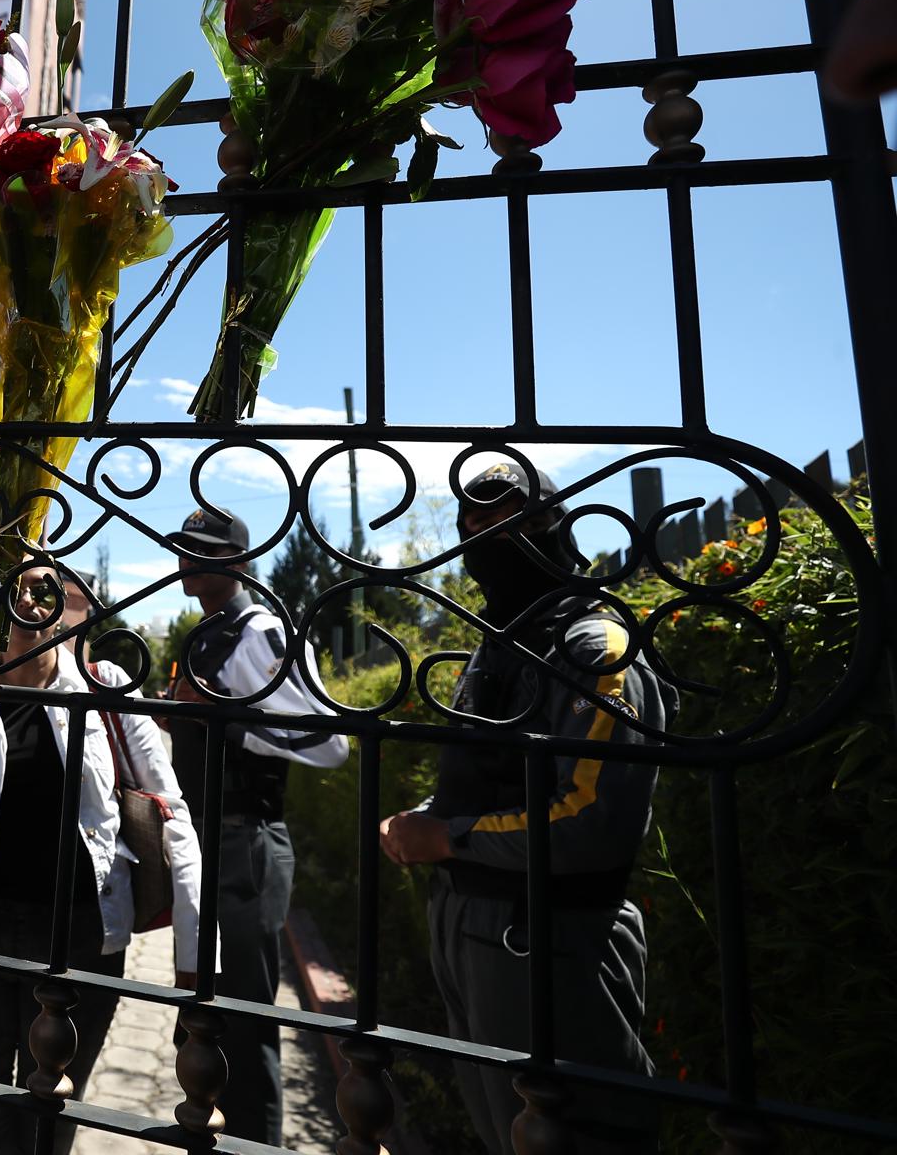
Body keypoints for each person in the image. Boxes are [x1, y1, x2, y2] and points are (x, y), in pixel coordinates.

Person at [378, 464, 674, 1154]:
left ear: (554, 526)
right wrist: (423, 817)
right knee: (500, 1127)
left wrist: (446, 837)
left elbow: (591, 820)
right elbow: (488, 771)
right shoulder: (501, 642)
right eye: (472, 526)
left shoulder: (597, 648)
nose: (487, 538)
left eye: (511, 520)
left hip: (549, 931)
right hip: (468, 920)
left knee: (574, 1132)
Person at [0, 564, 202, 1155]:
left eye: (42, 585)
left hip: (80, 941)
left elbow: (170, 813)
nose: (27, 596)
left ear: (66, 603)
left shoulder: (106, 689)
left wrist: (192, 959)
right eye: (10, 585)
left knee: (49, 1120)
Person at [161, 507, 347, 1145]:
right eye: (183, 548)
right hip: (205, 836)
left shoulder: (261, 630)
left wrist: (223, 714)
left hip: (246, 839)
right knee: (205, 1009)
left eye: (202, 550)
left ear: (238, 562)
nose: (187, 559)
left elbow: (328, 741)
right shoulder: (209, 631)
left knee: (246, 1016)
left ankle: (254, 1141)